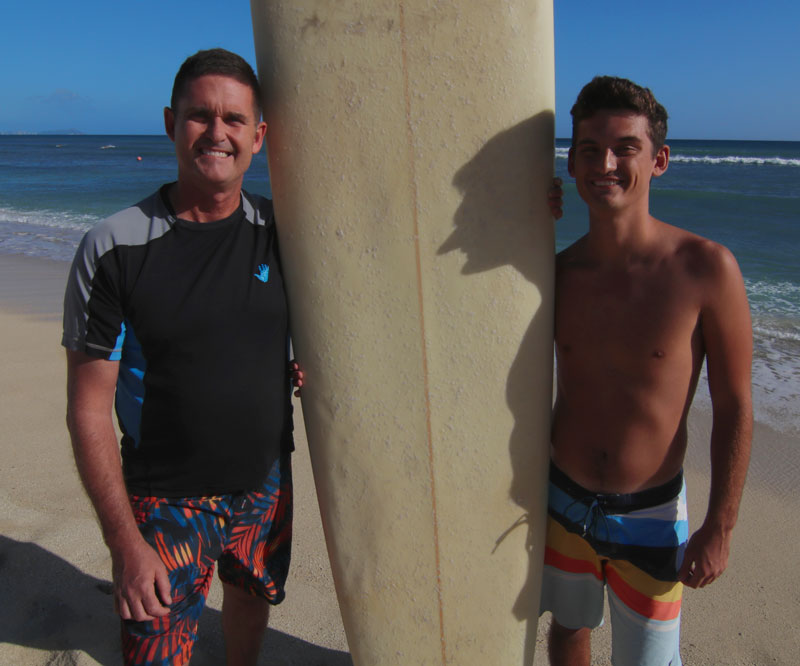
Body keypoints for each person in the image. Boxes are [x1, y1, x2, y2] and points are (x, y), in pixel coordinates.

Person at [63, 48, 302, 666]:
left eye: (233, 119)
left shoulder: (286, 234)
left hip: (264, 486)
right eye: (200, 116)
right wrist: (124, 544)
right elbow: (88, 411)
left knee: (251, 602)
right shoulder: (114, 247)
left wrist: (529, 202)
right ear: (171, 122)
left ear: (258, 136)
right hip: (165, 506)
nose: (217, 133)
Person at [540, 76, 752, 666]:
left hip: (652, 513)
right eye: (588, 149)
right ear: (572, 161)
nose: (604, 164)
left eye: (624, 149)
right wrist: (521, 215)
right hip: (562, 499)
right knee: (568, 629)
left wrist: (721, 527)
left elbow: (735, 406)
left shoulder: (707, 269)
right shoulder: (551, 271)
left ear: (658, 160)